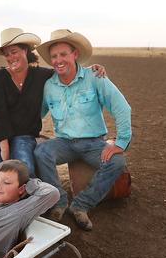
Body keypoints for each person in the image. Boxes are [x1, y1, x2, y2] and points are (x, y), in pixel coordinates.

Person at [34, 29, 132, 231]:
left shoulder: (94, 77)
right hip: (64, 143)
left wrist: (121, 142)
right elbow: (38, 114)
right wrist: (26, 132)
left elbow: (121, 107)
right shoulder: (48, 86)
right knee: (41, 152)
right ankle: (59, 201)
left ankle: (81, 205)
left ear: (75, 54)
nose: (58, 60)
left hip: (93, 144)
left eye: (63, 54)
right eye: (54, 56)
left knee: (117, 162)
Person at [0, 28, 106, 177]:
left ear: (25, 50)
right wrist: (5, 152)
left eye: (14, 52)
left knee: (25, 173)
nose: (10, 57)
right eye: (7, 54)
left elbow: (67, 72)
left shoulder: (41, 76)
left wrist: (89, 70)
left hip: (24, 134)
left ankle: (30, 198)